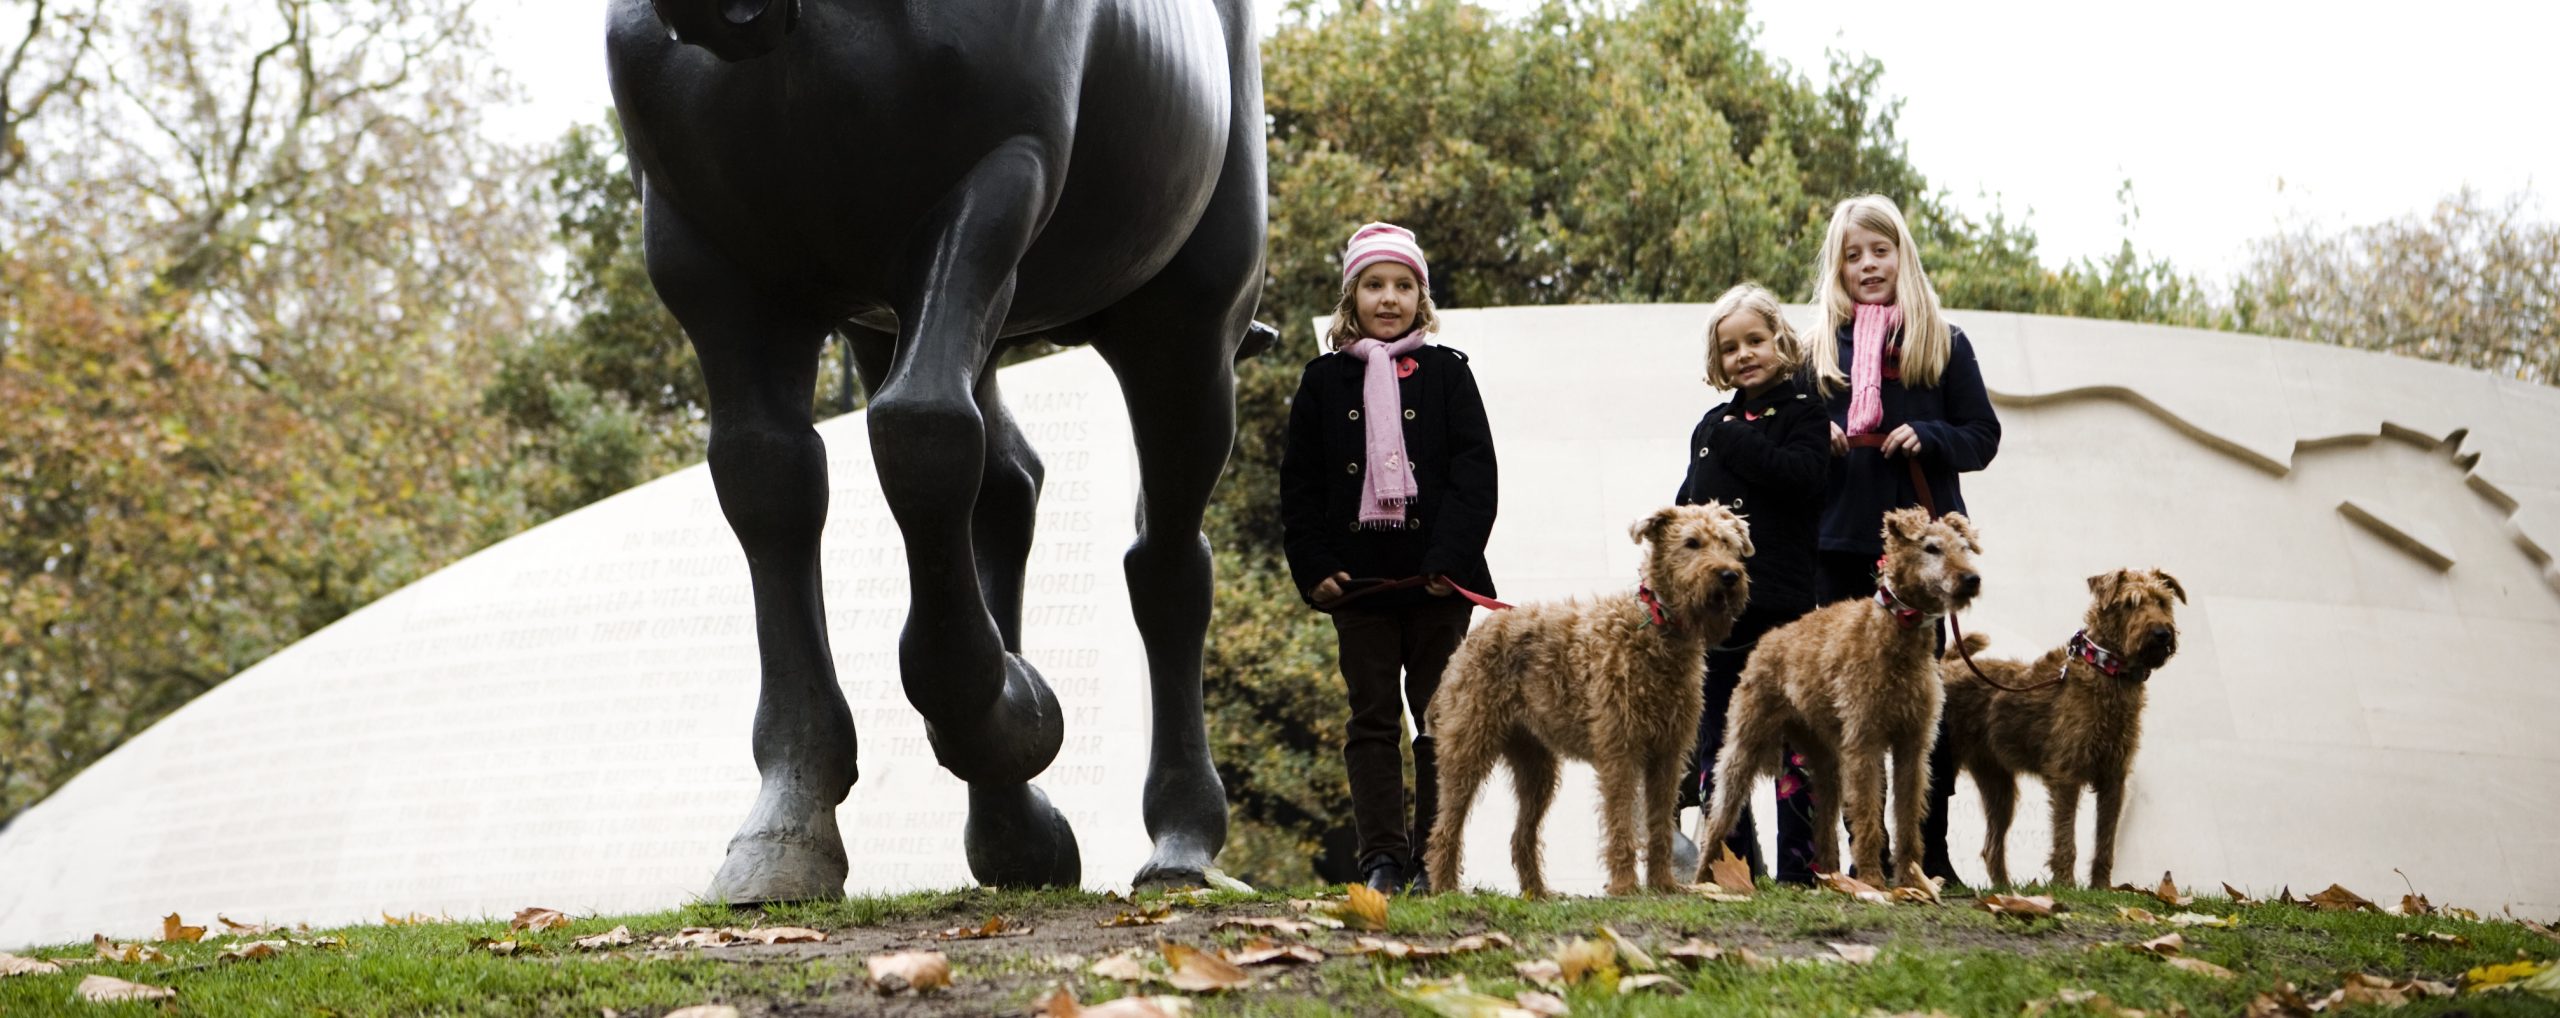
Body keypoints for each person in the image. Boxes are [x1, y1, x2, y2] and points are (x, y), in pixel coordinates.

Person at [1785, 192, 2002, 886]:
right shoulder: (1817, 348)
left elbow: (1983, 436)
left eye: (1880, 251)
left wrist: (1931, 435)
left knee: (1919, 709)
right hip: (1838, 543)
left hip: (1922, 562)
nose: (1868, 265)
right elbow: (1786, 435)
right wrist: (1815, 435)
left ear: (1902, 255)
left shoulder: (1943, 342)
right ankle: (1857, 854)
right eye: (1854, 255)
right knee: (1847, 708)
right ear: (1838, 268)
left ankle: (1927, 853)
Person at [1281, 222, 1499, 894]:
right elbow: (1300, 485)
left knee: (1439, 719)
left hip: (1437, 584)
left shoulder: (1448, 373)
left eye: (1403, 285)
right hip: (1361, 584)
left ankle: (1434, 860)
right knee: (1371, 720)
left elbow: (1475, 476)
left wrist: (1449, 560)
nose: (1389, 298)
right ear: (1352, 296)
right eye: (1374, 284)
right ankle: (1381, 859)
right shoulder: (1323, 381)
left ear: (1420, 297)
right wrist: (1315, 567)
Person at [1673, 283, 1830, 881]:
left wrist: (1736, 437)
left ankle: (1801, 868)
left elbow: (1803, 478)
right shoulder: (1709, 425)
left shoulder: (1803, 413)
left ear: (1780, 342)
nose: (1744, 355)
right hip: (1717, 615)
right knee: (1717, 739)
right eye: (1730, 347)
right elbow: (1689, 505)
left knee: (1794, 738)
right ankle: (1730, 865)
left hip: (1781, 604)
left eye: (1755, 341)